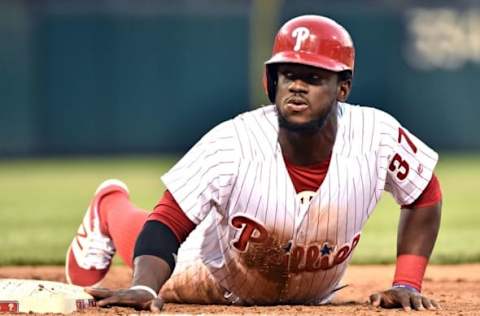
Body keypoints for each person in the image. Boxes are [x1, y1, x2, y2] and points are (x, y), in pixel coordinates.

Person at [65, 15, 442, 312]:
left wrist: (407, 283)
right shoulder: (232, 142)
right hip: (214, 276)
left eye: (313, 78)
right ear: (270, 82)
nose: (297, 86)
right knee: (159, 246)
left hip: (313, 296)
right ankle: (110, 206)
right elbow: (168, 219)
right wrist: (145, 286)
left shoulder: (376, 135)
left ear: (343, 87)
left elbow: (424, 192)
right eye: (288, 75)